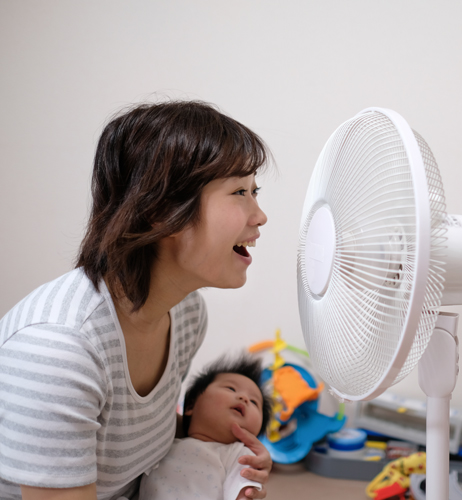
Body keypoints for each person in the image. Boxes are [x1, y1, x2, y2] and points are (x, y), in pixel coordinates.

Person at [0, 101, 272, 500]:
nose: (260, 215)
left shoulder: (187, 311)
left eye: (254, 191)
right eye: (239, 192)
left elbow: (131, 441)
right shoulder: (59, 348)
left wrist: (226, 456)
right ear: (160, 213)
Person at [140, 354, 273, 500]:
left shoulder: (239, 454)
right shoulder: (166, 438)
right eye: (231, 388)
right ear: (191, 405)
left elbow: (243, 492)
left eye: (254, 402)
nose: (244, 398)